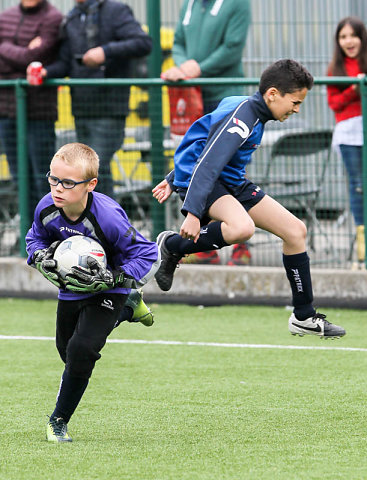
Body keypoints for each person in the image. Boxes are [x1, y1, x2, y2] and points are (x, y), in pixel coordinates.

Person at [153, 59, 346, 340]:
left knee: (296, 231)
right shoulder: (243, 119)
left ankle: (303, 316)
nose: (297, 109)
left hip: (228, 180)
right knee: (242, 227)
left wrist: (172, 176)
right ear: (272, 94)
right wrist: (193, 211)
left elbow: (206, 138)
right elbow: (207, 163)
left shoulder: (248, 107)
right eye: (294, 102)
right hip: (205, 179)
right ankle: (172, 245)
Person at [26, 142, 160, 442]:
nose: (58, 188)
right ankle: (130, 308)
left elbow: (148, 255)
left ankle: (57, 421)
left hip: (110, 290)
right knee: (67, 353)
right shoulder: (47, 207)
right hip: (71, 290)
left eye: (68, 183)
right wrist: (39, 256)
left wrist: (115, 277)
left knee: (81, 351)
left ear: (91, 184)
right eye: (53, 179)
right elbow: (34, 237)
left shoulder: (109, 217)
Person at [162, 0, 252, 266]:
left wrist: (197, 69)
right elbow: (178, 42)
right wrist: (183, 66)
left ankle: (241, 248)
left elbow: (232, 48)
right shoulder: (189, 4)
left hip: (227, 97)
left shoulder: (237, 4)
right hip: (194, 97)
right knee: (198, 167)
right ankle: (205, 246)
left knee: (232, 172)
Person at [41, 0, 153, 199]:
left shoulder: (116, 10)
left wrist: (105, 51)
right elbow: (66, 63)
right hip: (82, 107)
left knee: (95, 169)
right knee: (84, 171)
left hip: (110, 107)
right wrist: (45, 72)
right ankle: (89, 223)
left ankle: (104, 223)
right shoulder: (73, 17)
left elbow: (143, 42)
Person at [0, 0, 62, 224]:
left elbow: (33, 60)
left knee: (43, 179)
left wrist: (8, 49)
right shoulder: (5, 16)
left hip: (39, 113)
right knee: (19, 179)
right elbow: (28, 58)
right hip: (6, 111)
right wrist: (26, 51)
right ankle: (28, 235)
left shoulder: (53, 18)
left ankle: (48, 232)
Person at [327, 16, 366, 269]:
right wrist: (355, 88)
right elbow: (335, 103)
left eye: (353, 35)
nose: (348, 41)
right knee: (357, 185)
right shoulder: (335, 69)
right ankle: (362, 241)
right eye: (343, 37)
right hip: (349, 132)